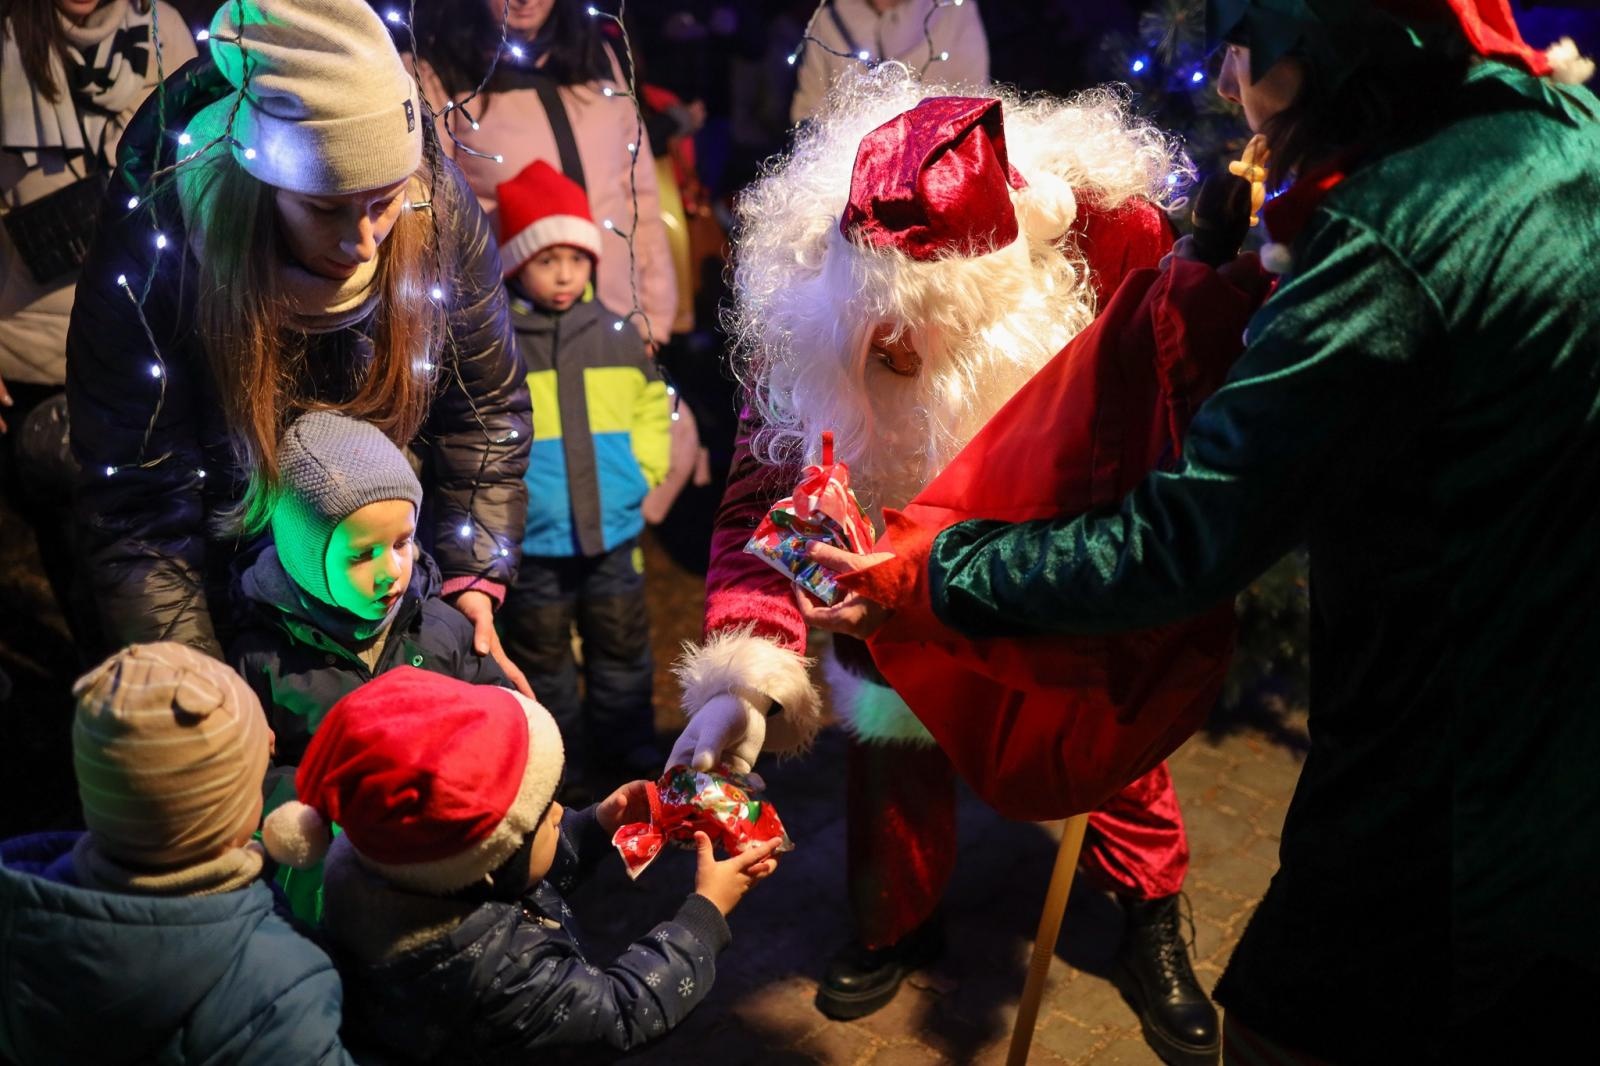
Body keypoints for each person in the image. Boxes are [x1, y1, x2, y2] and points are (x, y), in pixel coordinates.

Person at [800, 2, 1600, 1061]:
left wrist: (933, 570)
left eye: (1244, 46)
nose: (1227, 82)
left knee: (1279, 1028)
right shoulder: (1560, 122)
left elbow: (1180, 539)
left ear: (1324, 43)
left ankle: (1153, 919)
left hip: (1443, 769)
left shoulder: (1380, 233)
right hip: (1558, 692)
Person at [666, 66, 1220, 1063]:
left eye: (921, 325)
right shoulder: (803, 326)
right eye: (872, 324)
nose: (892, 348)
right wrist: (741, 683)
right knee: (890, 750)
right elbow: (758, 506)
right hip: (881, 594)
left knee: (1118, 753)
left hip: (1038, 566)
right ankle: (897, 919)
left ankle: (1147, 914)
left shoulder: (1072, 294)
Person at [66, 0, 532, 691]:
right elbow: (140, 492)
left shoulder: (435, 211)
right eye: (324, 207)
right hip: (229, 591)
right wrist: (198, 676)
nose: (363, 242)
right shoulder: (163, 234)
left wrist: (472, 575)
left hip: (384, 577)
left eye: (383, 200)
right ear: (265, 182)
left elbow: (485, 406)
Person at [263, 667, 781, 1059]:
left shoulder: (408, 875)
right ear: (487, 860)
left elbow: (524, 873)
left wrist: (596, 826)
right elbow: (621, 1013)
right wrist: (705, 914)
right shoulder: (495, 973)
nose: (560, 810)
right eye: (542, 814)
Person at [0, 642, 355, 1065]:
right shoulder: (280, 985)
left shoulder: (18, 911)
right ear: (227, 810)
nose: (273, 740)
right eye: (261, 756)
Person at [1, 0, 195, 649]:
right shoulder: (6, 39)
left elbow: (199, 177)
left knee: (170, 549)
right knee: (84, 569)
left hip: (150, 344)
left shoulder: (160, 29)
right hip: (38, 356)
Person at [492, 159, 671, 799]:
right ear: (517, 265)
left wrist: (643, 470)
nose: (565, 273)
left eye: (576, 257)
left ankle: (629, 755)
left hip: (613, 531)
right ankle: (560, 772)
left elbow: (656, 406)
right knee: (542, 657)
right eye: (547, 260)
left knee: (622, 646)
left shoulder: (618, 336)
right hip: (534, 542)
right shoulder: (501, 344)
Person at [229, 410, 512, 775]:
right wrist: (327, 808)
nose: (392, 572)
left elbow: (507, 725)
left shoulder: (442, 629)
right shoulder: (261, 662)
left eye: (401, 543)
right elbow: (251, 781)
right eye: (363, 554)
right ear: (306, 561)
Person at [789, 0, 990, 124]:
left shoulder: (954, 11)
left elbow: (973, 104)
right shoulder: (827, 22)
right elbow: (807, 115)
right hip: (848, 177)